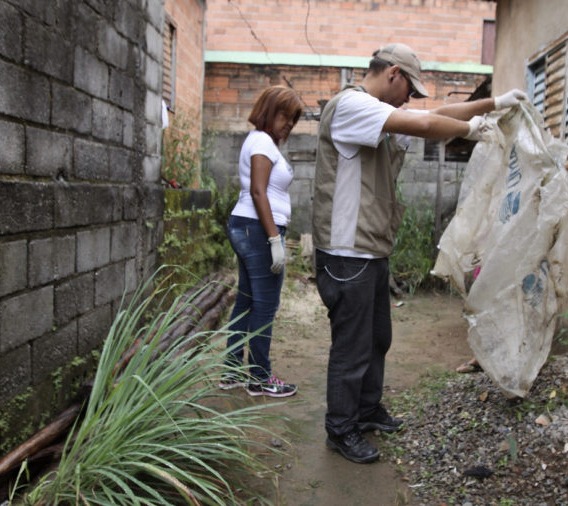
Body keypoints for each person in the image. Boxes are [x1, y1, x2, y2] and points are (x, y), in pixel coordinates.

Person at [312, 43, 526, 463]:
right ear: (393, 73)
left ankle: (367, 410)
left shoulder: (379, 113)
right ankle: (340, 429)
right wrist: (470, 131)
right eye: (408, 89)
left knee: (377, 339)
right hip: (346, 254)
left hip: (369, 250)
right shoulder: (353, 106)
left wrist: (495, 103)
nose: (409, 99)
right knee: (352, 347)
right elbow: (428, 124)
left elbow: (436, 115)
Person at [219, 86, 304, 398]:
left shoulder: (261, 142)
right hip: (257, 230)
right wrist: (273, 240)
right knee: (264, 306)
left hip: (249, 228)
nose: (289, 124)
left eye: (293, 120)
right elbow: (258, 192)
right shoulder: (262, 142)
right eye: (285, 115)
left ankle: (231, 371)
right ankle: (259, 378)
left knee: (246, 302)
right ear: (269, 110)